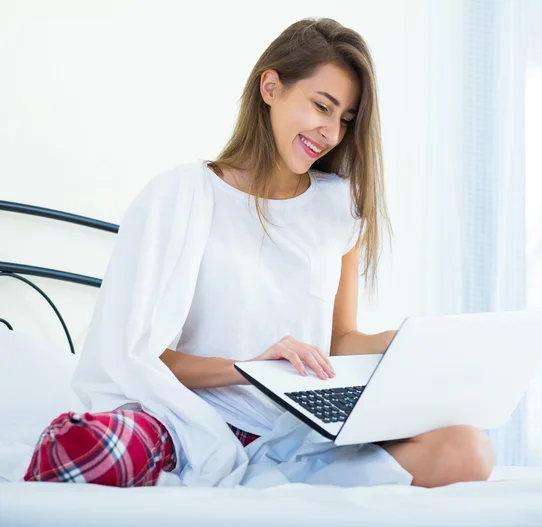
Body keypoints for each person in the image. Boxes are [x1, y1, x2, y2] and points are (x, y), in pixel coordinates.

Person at [24, 17, 495, 489]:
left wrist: (402, 343)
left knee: (469, 449)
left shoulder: (341, 207)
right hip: (192, 422)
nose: (331, 132)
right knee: (79, 450)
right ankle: (251, 475)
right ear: (271, 87)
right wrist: (253, 369)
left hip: (299, 434)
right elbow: (137, 357)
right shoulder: (180, 196)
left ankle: (276, 477)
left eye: (345, 120)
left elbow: (339, 341)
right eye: (321, 106)